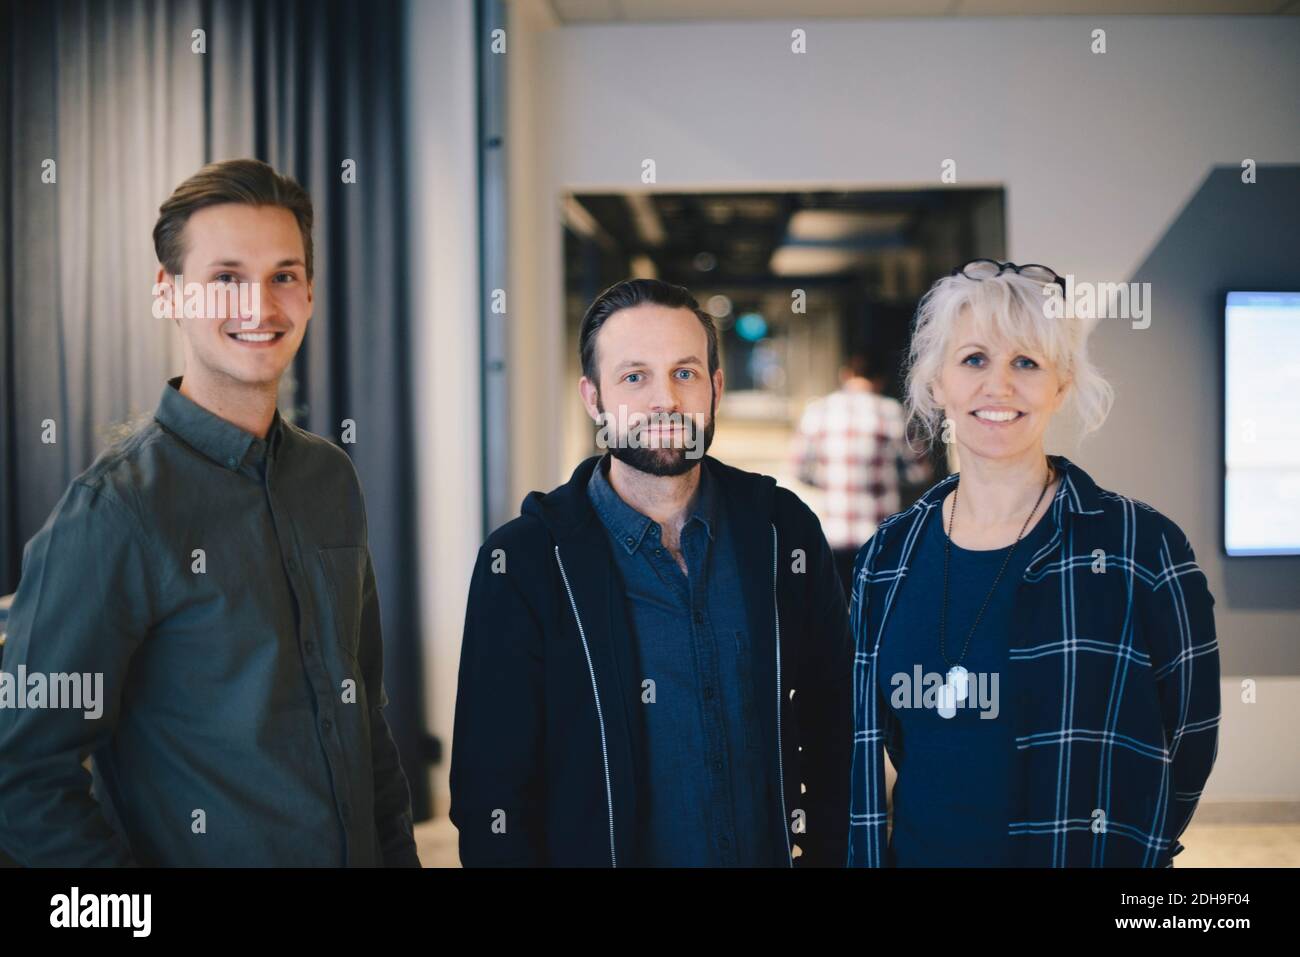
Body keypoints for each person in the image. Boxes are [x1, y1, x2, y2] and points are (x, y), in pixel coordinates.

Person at [0, 159, 420, 866]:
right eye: (226, 278)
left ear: (310, 293)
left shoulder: (330, 478)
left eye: (283, 275)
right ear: (169, 294)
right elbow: (20, 777)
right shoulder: (114, 511)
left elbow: (365, 720)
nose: (259, 307)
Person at [451, 278, 852, 867]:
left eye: (684, 374)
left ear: (715, 388)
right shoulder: (525, 564)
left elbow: (835, 717)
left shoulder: (780, 531)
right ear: (593, 398)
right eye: (634, 377)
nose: (664, 400)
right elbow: (492, 793)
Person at [847, 260, 1220, 867]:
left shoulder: (1139, 547)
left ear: (1061, 384)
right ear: (936, 383)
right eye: (973, 360)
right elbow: (883, 740)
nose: (999, 386)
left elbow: (1190, 736)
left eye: (1026, 362)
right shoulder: (885, 559)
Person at [793, 352, 931, 598]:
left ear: (845, 375)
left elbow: (799, 471)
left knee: (835, 612)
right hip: (879, 535)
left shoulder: (817, 411)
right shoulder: (892, 412)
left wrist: (830, 480)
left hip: (830, 532)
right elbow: (919, 472)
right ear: (879, 380)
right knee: (873, 610)